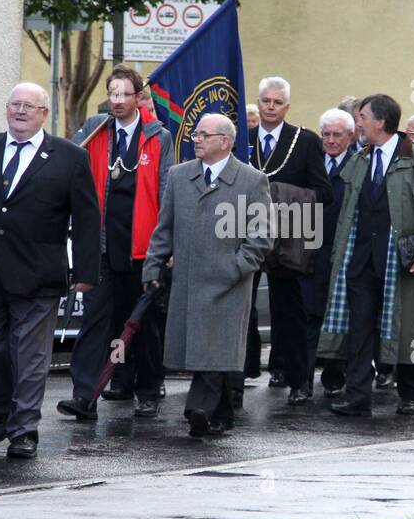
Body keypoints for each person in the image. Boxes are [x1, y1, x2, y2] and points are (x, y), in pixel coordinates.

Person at [0, 83, 100, 457]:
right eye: (15, 105)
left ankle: (25, 429)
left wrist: (86, 272)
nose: (20, 112)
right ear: (6, 109)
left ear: (43, 113)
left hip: (39, 273)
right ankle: (1, 409)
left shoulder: (70, 157)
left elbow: (87, 219)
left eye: (29, 106)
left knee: (30, 356)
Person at [142, 113, 271, 437]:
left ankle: (198, 408)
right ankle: (221, 415)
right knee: (207, 348)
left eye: (204, 135)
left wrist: (236, 266)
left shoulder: (251, 180)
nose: (195, 139)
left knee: (216, 347)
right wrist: (153, 266)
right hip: (187, 281)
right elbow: (164, 228)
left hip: (228, 284)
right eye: (195, 134)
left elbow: (262, 235)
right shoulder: (178, 175)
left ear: (225, 142)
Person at [318, 94, 414, 416]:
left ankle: (409, 392)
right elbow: (349, 211)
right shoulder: (359, 159)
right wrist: (339, 254)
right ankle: (358, 395)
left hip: (401, 261)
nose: (357, 123)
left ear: (381, 121)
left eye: (362, 117)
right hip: (360, 259)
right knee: (360, 328)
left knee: (405, 327)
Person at [61, 66, 172, 420]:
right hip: (104, 244)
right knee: (98, 319)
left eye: (125, 94)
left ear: (138, 97)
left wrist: (166, 247)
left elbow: (167, 192)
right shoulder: (96, 130)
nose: (118, 101)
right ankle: (87, 393)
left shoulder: (158, 136)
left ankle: (148, 388)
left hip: (142, 244)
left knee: (142, 322)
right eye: (113, 93)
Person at [245, 76, 331, 404]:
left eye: (277, 102)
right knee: (243, 308)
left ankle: (299, 380)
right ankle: (238, 378)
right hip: (246, 234)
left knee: (291, 313)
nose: (270, 107)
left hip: (290, 241)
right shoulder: (243, 139)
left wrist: (285, 198)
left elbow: (324, 192)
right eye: (265, 101)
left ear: (287, 107)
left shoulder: (305, 141)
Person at [302, 108, 357, 399]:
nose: (331, 140)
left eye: (337, 135)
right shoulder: (312, 161)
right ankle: (305, 379)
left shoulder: (358, 164)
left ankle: (335, 374)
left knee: (338, 316)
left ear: (350, 136)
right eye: (326, 134)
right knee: (310, 316)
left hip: (342, 252)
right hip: (311, 251)